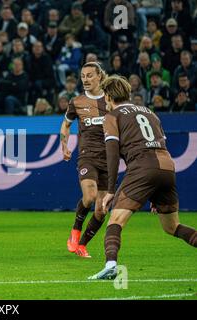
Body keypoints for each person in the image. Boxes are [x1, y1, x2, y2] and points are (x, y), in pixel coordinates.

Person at [89, 75, 197, 280]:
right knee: (172, 227)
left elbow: (112, 155)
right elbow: (159, 144)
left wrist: (110, 190)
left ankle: (111, 265)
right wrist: (156, 192)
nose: (104, 101)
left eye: (105, 97)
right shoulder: (151, 113)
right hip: (166, 167)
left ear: (110, 96)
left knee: (116, 220)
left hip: (142, 167)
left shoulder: (112, 117)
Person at [60, 62, 108, 258]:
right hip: (87, 156)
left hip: (109, 159)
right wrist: (64, 146)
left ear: (99, 77)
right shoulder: (77, 102)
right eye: (83, 76)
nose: (86, 80)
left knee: (102, 209)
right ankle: (75, 231)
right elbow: (65, 125)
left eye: (89, 75)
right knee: (89, 197)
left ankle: (82, 245)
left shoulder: (111, 100)